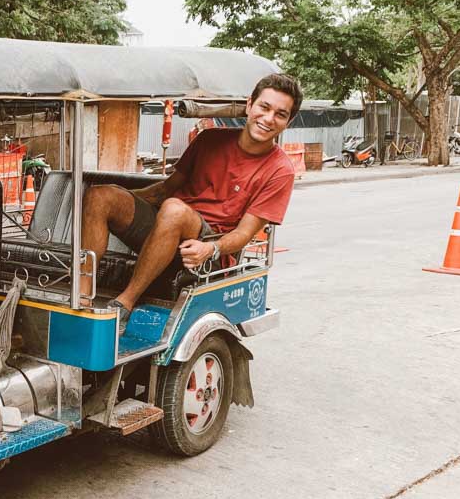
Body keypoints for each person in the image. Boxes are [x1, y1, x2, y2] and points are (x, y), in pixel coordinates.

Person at [81, 73, 302, 326]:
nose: (268, 119)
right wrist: (115, 200)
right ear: (250, 104)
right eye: (264, 107)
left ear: (288, 122)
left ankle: (125, 303)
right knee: (101, 195)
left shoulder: (280, 170)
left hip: (207, 246)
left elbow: (244, 233)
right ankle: (84, 297)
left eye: (280, 114)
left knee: (174, 210)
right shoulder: (209, 140)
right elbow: (165, 190)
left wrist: (211, 248)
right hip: (165, 225)